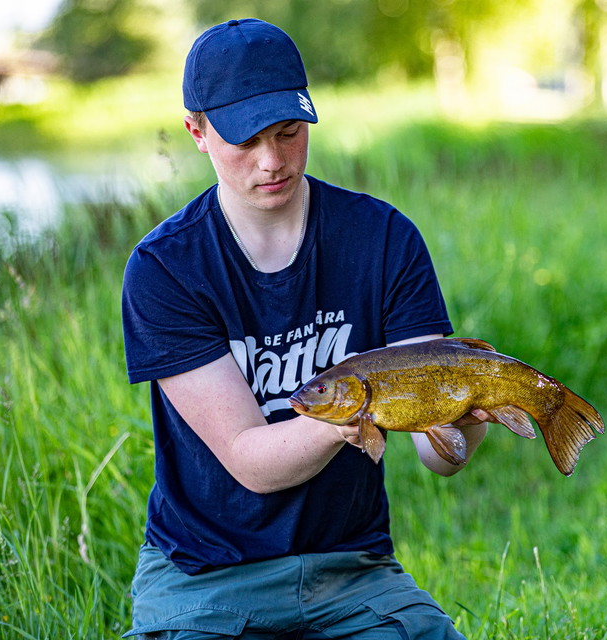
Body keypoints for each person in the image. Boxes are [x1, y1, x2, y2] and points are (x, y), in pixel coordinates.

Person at [120, 18, 488, 639]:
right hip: (206, 574)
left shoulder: (383, 238)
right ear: (197, 133)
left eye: (288, 133)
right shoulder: (166, 268)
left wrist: (469, 408)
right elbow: (251, 460)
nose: (272, 161)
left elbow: (439, 457)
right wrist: (355, 410)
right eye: (245, 140)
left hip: (350, 570)